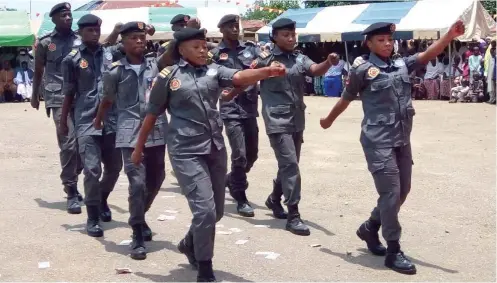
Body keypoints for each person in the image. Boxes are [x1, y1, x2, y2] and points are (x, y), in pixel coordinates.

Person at [131, 27, 285, 282]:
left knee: (217, 212)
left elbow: (239, 76)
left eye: (205, 46)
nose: (203, 50)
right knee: (204, 212)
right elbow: (152, 114)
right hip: (185, 150)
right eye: (197, 47)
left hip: (215, 147)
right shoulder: (169, 76)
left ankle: (189, 242)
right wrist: (138, 149)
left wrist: (266, 72)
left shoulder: (213, 71)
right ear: (181, 49)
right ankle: (205, 267)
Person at [320, 21, 465, 275]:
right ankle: (393, 250)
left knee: (403, 191)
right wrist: (328, 120)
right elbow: (346, 98)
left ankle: (369, 227)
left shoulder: (401, 64)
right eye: (381, 40)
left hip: (401, 138)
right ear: (369, 43)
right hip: (377, 141)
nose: (387, 44)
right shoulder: (362, 70)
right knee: (391, 193)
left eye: (389, 39)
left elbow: (427, 54)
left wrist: (449, 36)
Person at [250, 18, 339, 236]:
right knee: (290, 164)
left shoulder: (299, 57)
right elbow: (247, 75)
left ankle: (273, 199)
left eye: (293, 34)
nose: (290, 38)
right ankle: (293, 215)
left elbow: (315, 70)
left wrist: (328, 62)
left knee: (289, 163)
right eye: (285, 35)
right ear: (274, 37)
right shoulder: (265, 58)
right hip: (276, 119)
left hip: (297, 118)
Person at [94, 21, 167, 260]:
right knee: (137, 183)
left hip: (156, 130)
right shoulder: (115, 71)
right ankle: (136, 232)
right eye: (134, 38)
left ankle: (140, 215)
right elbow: (106, 100)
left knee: (157, 178)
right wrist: (99, 121)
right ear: (123, 43)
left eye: (142, 37)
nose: (139, 41)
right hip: (128, 132)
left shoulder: (155, 66)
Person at [59, 14, 123, 238]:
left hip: (112, 120)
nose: (94, 34)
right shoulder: (71, 59)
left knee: (115, 168)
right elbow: (68, 93)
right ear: (81, 32)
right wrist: (63, 122)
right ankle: (93, 216)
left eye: (97, 30)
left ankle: (102, 198)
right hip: (86, 120)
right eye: (90, 30)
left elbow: (133, 48)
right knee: (92, 170)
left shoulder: (111, 53)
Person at [30, 2, 84, 212]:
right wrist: (35, 95)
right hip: (57, 96)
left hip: (81, 97)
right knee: (68, 143)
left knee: (83, 144)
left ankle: (74, 178)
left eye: (69, 15)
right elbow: (38, 69)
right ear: (53, 19)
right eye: (63, 15)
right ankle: (70, 189)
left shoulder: (80, 39)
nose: (68, 18)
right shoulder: (46, 43)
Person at [209, 14, 260, 217]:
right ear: (221, 29)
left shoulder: (251, 49)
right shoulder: (214, 54)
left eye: (235, 25)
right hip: (230, 109)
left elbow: (261, 68)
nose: (234, 29)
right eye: (229, 26)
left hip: (249, 108)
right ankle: (240, 196)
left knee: (252, 154)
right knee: (239, 154)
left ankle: (231, 179)